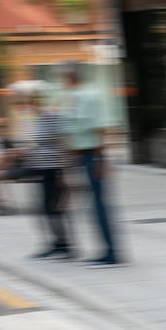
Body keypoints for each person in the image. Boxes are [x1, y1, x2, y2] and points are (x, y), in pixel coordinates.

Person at [59, 61, 122, 267]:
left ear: (72, 76)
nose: (62, 80)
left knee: (99, 206)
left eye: (63, 76)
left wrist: (101, 158)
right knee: (92, 207)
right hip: (82, 157)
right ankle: (106, 250)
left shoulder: (90, 95)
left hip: (93, 157)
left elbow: (102, 128)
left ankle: (111, 253)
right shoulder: (73, 96)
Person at [20, 82, 74, 260]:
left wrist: (61, 172)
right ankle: (56, 244)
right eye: (28, 102)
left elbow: (61, 144)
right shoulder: (38, 119)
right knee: (46, 208)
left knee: (53, 207)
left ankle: (64, 246)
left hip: (53, 169)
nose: (29, 106)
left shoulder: (51, 117)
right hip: (41, 169)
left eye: (32, 102)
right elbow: (40, 143)